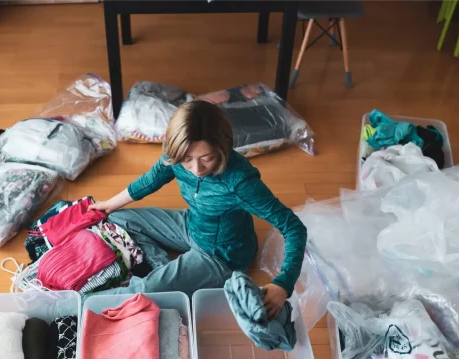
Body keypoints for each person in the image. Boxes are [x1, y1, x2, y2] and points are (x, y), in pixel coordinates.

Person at [90, 100, 307, 315]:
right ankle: (163, 269)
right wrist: (109, 204)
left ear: (222, 148)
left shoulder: (240, 181)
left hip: (221, 255)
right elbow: (152, 179)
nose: (196, 168)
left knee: (143, 291)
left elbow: (293, 227)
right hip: (192, 223)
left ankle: (75, 304)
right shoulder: (176, 157)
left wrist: (283, 284)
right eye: (187, 159)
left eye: (207, 158)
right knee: (116, 219)